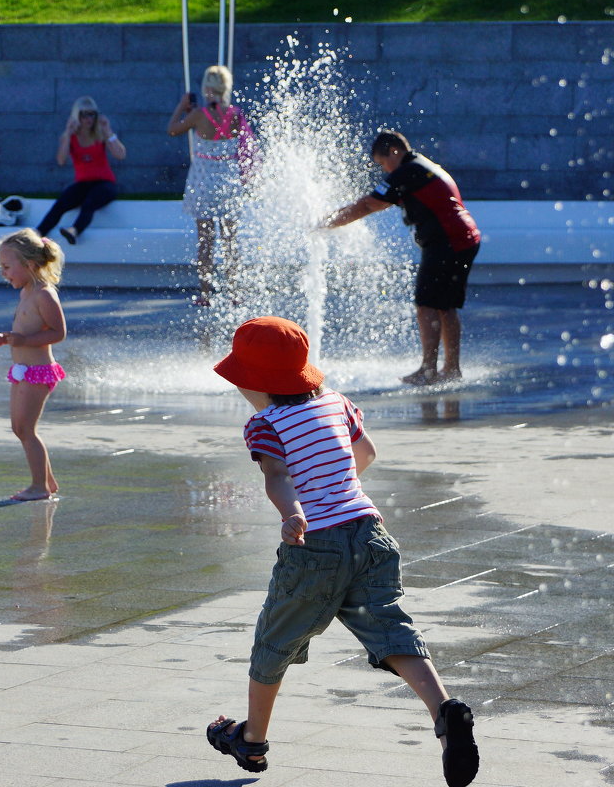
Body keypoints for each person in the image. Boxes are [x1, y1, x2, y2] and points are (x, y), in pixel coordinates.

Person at [206, 316, 480, 787]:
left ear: (253, 382)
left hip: (316, 547)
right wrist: (336, 484)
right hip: (370, 532)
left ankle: (251, 740)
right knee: (391, 629)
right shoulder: (337, 402)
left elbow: (277, 476)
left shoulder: (264, 424)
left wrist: (293, 512)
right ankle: (445, 712)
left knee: (274, 641)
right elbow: (367, 454)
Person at [323, 130, 481, 386]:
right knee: (445, 305)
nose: (385, 170)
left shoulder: (408, 172)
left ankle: (428, 370)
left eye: (383, 163)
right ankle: (451, 369)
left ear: (395, 151)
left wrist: (328, 223)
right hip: (462, 238)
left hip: (447, 241)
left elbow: (368, 205)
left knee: (426, 304)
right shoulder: (422, 166)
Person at [0, 228, 67, 502]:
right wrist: (7, 339)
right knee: (19, 428)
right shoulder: (27, 293)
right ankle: (48, 481)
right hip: (22, 371)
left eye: (7, 267)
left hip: (38, 372)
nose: (3, 273)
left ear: (30, 264)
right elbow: (25, 330)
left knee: (27, 430)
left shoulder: (45, 294)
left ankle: (39, 487)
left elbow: (58, 332)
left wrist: (23, 339)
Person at [167, 65, 257, 306]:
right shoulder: (236, 114)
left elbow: (173, 130)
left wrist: (181, 106)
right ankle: (235, 292)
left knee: (205, 241)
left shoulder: (198, 115)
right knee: (230, 241)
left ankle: (205, 293)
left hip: (203, 182)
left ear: (207, 88)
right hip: (228, 181)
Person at [36, 96, 126, 246]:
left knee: (89, 203)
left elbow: (121, 154)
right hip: (83, 183)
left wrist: (108, 131)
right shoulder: (71, 137)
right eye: (83, 114)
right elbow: (61, 160)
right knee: (61, 203)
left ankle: (74, 230)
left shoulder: (101, 133)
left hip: (105, 183)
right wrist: (67, 134)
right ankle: (36, 234)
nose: (87, 118)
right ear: (77, 116)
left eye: (91, 114)